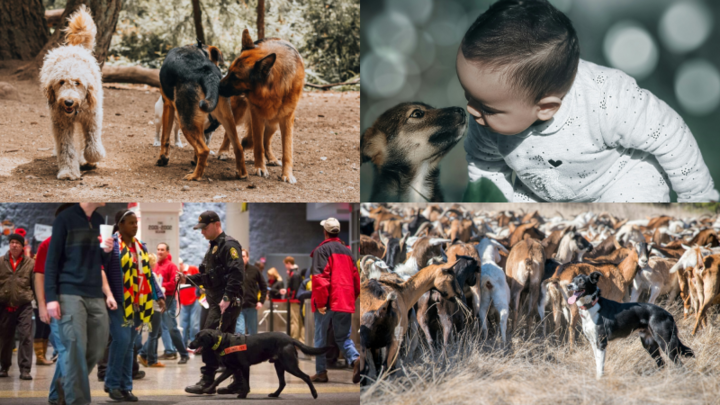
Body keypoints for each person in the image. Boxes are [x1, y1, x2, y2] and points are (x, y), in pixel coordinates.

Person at [459, 0, 719, 203]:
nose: (472, 110)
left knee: (630, 228)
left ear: (546, 108)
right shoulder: (487, 117)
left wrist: (698, 201)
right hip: (546, 193)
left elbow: (670, 134)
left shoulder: (607, 100)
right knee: (522, 239)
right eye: (469, 96)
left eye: (487, 108)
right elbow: (486, 167)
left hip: (620, 181)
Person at [45, 203, 117, 405]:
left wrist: (107, 251)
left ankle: (66, 381)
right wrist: (51, 297)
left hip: (94, 292)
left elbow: (98, 260)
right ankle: (78, 400)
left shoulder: (98, 219)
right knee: (75, 348)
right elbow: (52, 260)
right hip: (69, 292)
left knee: (98, 346)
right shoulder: (65, 219)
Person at [103, 209, 167, 401]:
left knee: (130, 344)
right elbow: (102, 270)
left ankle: (125, 386)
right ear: (120, 225)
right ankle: (112, 383)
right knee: (122, 340)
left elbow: (148, 275)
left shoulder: (141, 247)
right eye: (131, 223)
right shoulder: (112, 246)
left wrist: (159, 295)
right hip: (119, 301)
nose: (135, 226)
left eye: (136, 222)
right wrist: (106, 295)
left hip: (139, 303)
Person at [181, 211, 244, 394]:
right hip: (217, 301)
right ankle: (239, 381)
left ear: (216, 224)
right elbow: (208, 277)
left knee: (208, 338)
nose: (202, 232)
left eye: (205, 228)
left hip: (225, 302)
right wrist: (187, 279)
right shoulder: (214, 247)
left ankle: (207, 380)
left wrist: (227, 297)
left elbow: (237, 273)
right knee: (227, 344)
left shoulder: (228, 245)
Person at [310, 217, 360, 383]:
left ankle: (321, 372)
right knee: (343, 337)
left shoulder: (321, 250)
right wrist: (352, 297)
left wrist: (321, 303)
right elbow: (356, 278)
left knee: (320, 337)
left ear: (325, 232)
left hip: (329, 301)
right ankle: (355, 359)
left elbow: (320, 278)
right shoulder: (348, 251)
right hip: (345, 301)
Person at [0, 233, 36, 380]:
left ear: (22, 246)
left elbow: (35, 285)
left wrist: (40, 304)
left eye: (17, 243)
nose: (14, 245)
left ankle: (25, 369)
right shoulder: (1, 262)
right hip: (4, 305)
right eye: (12, 242)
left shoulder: (30, 263)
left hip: (24, 305)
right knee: (5, 337)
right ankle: (4, 367)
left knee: (26, 336)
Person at [153, 243, 190, 364]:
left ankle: (184, 354)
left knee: (172, 328)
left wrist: (160, 286)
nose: (159, 252)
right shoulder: (155, 266)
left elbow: (175, 283)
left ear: (167, 252)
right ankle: (161, 352)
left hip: (168, 300)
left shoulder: (172, 266)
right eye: (158, 249)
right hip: (158, 301)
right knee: (158, 328)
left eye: (162, 250)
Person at [235, 249, 266, 335]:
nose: (241, 258)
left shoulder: (255, 270)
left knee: (253, 334)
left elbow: (263, 286)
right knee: (239, 333)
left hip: (252, 306)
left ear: (247, 258)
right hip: (238, 307)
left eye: (243, 256)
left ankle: (253, 349)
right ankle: (241, 349)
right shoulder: (233, 271)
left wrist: (261, 301)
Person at [178, 258, 201, 348]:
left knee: (194, 325)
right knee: (183, 325)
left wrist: (200, 292)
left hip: (195, 300)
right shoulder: (178, 275)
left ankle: (195, 345)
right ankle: (183, 346)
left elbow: (200, 279)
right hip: (184, 303)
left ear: (181, 264)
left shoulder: (192, 269)